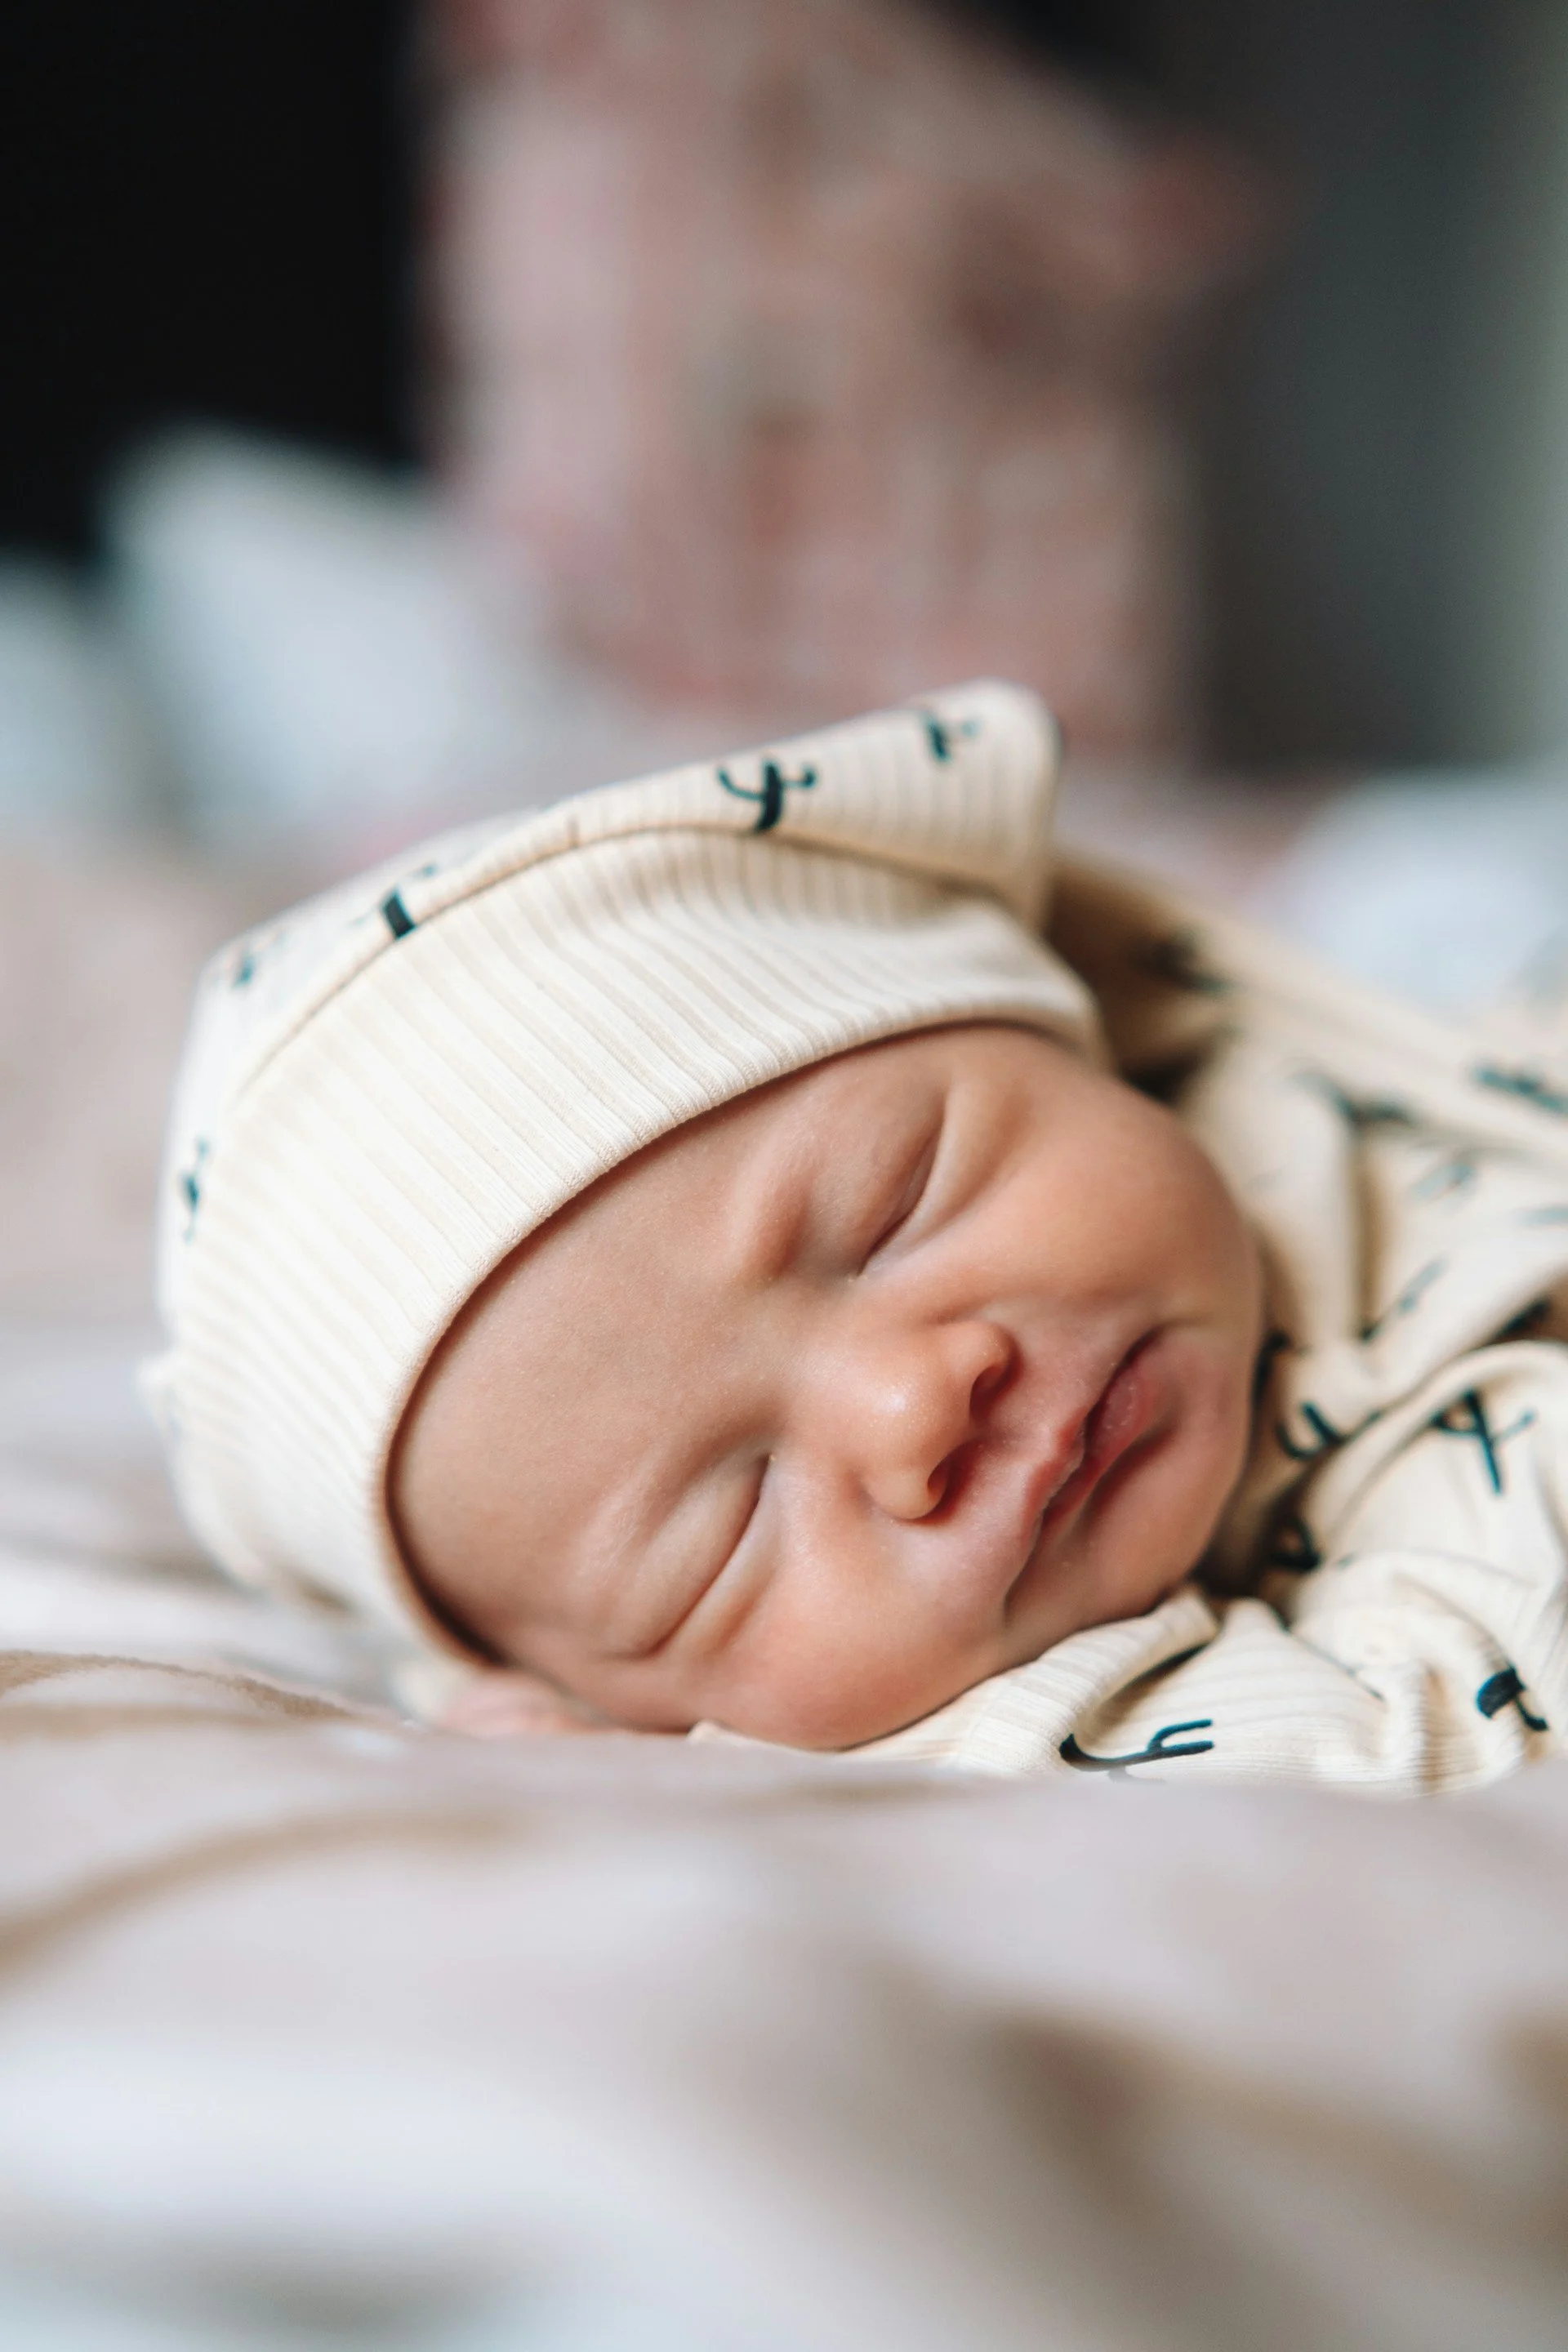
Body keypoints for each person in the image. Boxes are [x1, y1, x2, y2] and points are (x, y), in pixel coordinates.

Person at [145, 682, 1568, 1788]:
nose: (913, 1403)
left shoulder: (1474, 1332)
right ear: (613, 1693)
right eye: (729, 1522)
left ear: (1050, 1024)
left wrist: (795, 1759)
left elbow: (1434, 1744)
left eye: (895, 1208)